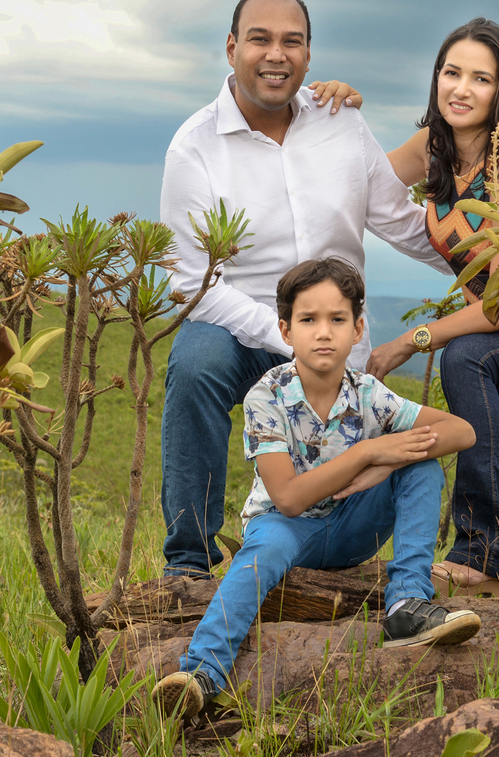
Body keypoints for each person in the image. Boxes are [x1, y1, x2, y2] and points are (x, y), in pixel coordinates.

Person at [158, 0, 452, 578]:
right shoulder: (195, 147)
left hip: (335, 341)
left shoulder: (342, 125)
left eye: (292, 41)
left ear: (310, 55)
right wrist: (283, 331)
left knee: (362, 476)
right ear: (231, 47)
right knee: (195, 363)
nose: (276, 54)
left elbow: (398, 219)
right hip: (241, 332)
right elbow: (190, 282)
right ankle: (188, 565)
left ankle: (354, 564)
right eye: (260, 39)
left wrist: (491, 269)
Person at [316, 19, 499, 606]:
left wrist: (409, 341)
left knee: (465, 356)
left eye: (481, 78)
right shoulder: (434, 147)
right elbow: (361, 172)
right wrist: (340, 110)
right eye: (452, 73)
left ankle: (479, 552)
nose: (461, 89)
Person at [152, 258, 480, 720]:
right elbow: (287, 497)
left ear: (358, 328)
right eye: (308, 320)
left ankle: (407, 604)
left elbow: (461, 432)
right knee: (259, 554)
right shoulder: (267, 396)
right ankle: (202, 672)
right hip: (284, 529)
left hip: (351, 528)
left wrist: (386, 465)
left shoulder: (367, 393)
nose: (323, 332)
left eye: (337, 319)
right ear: (285, 331)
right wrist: (367, 454)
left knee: (420, 466)